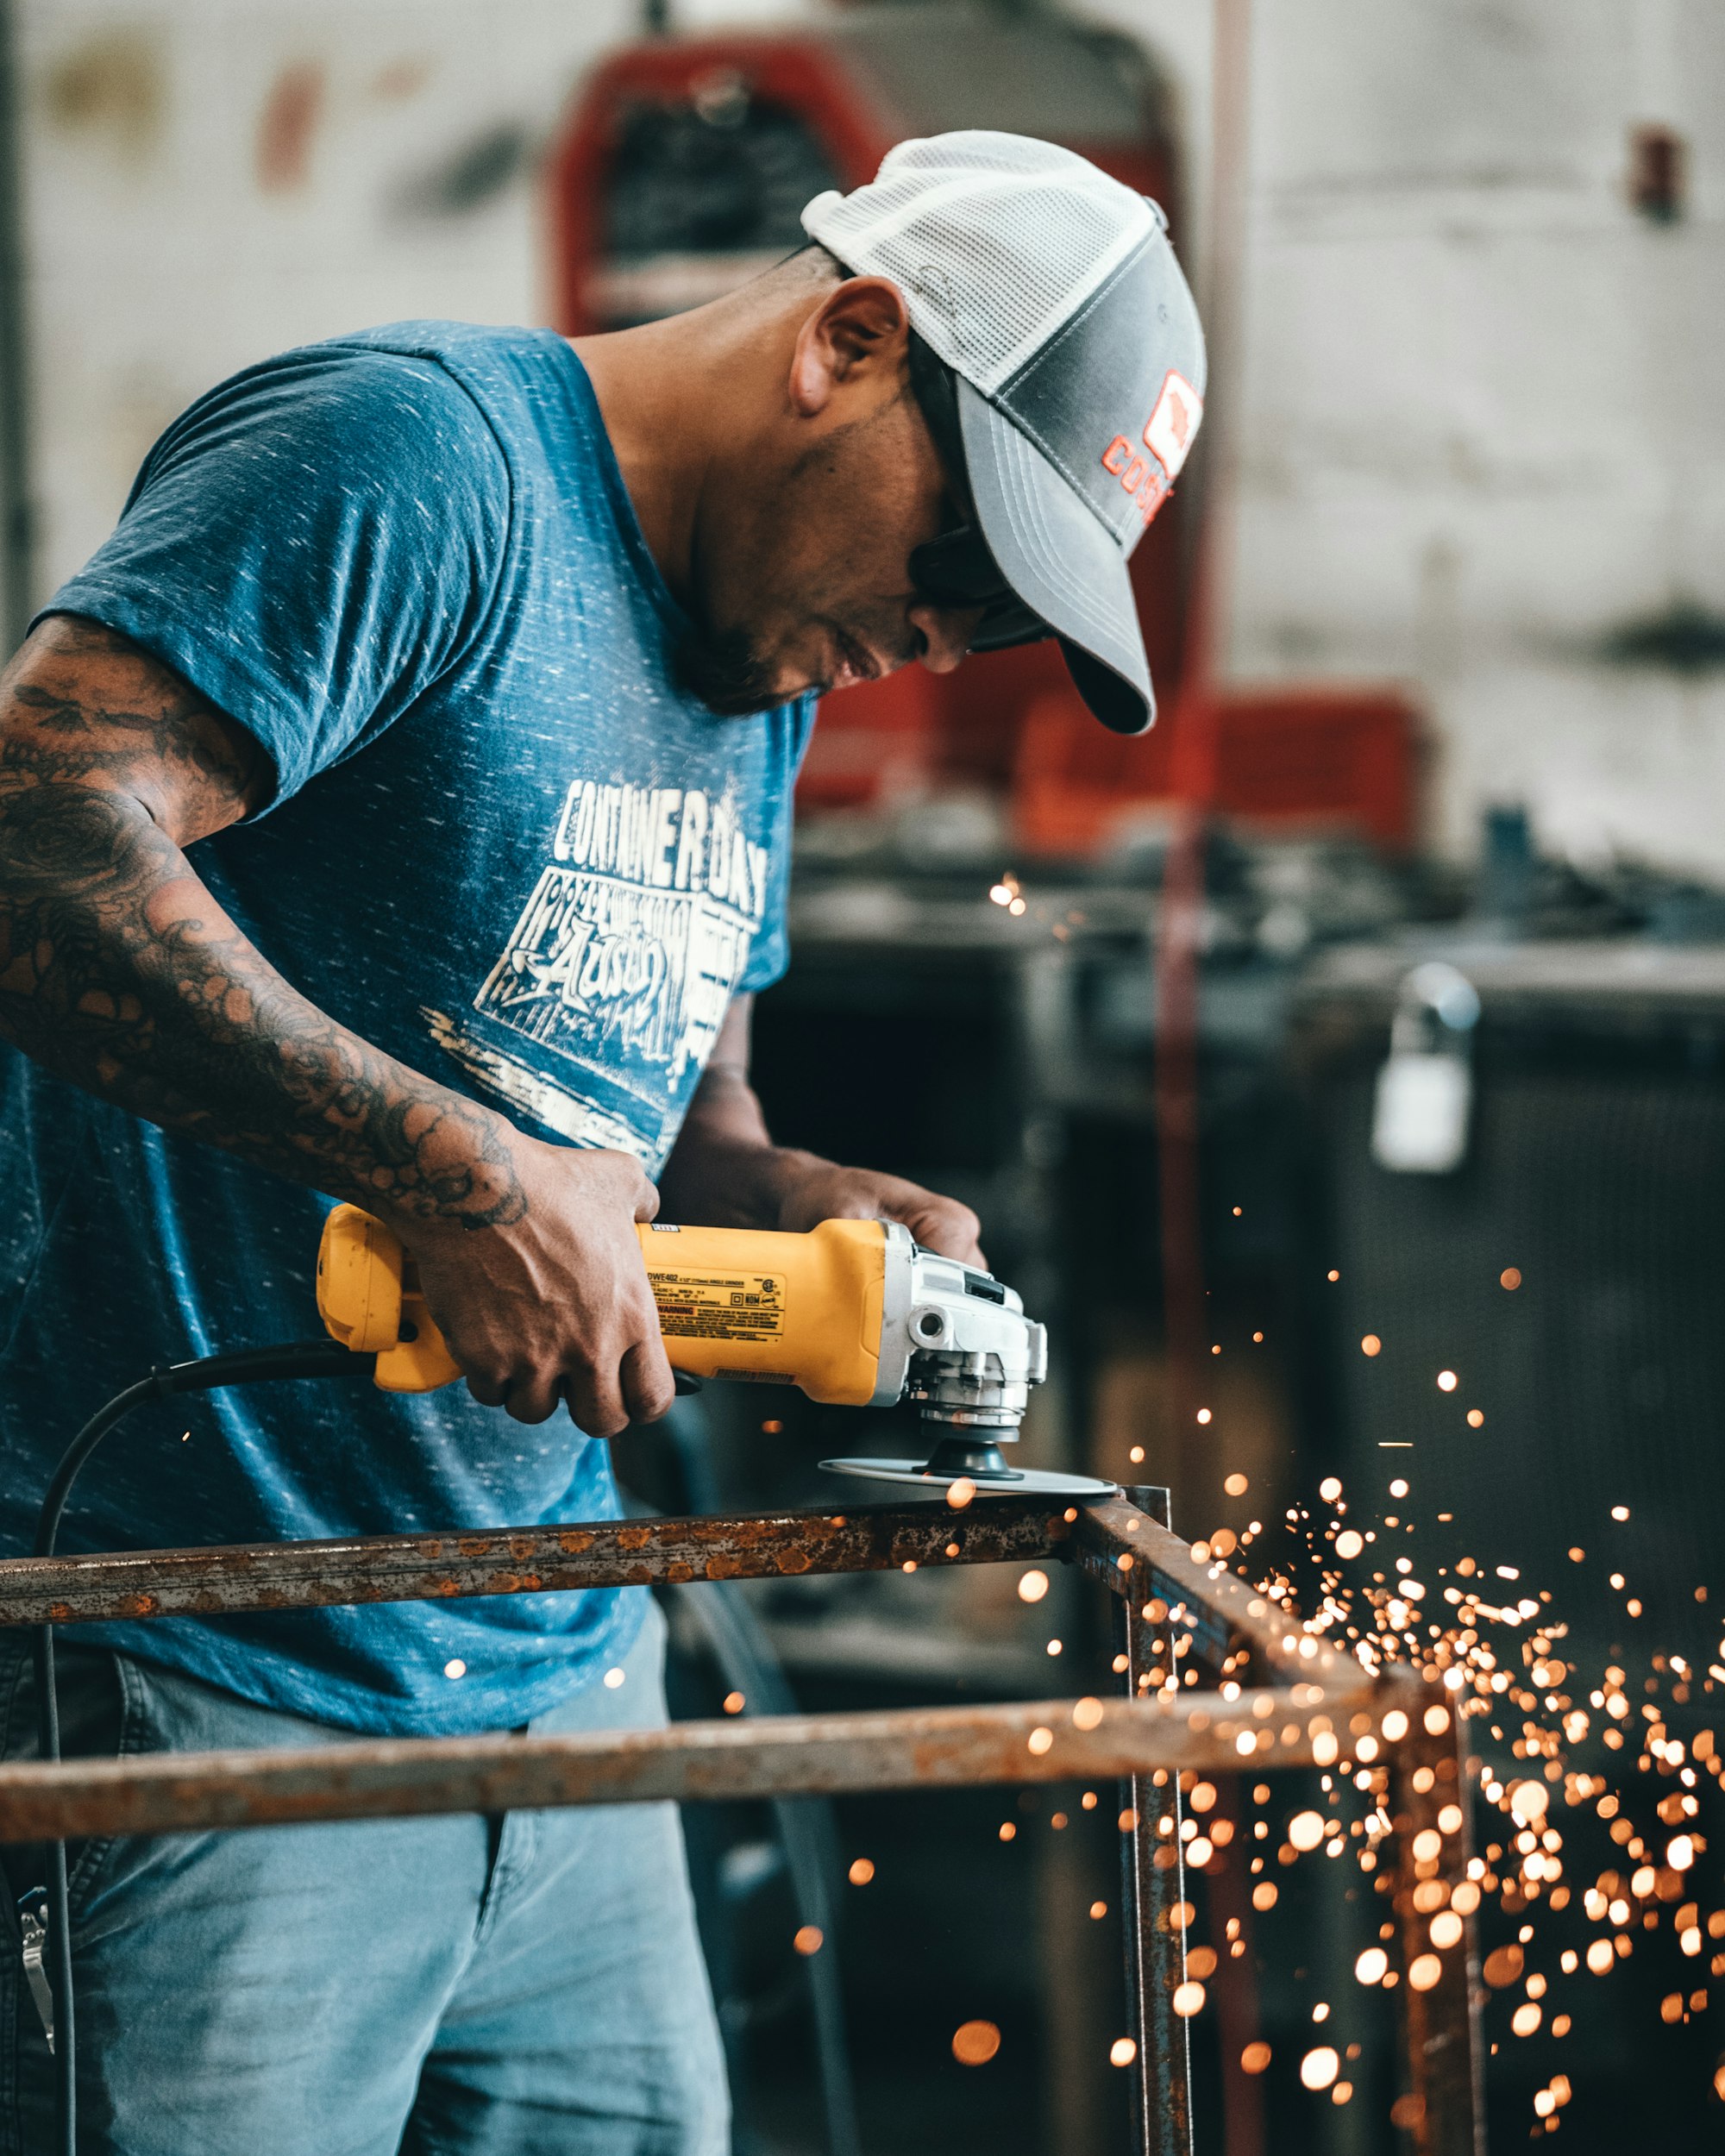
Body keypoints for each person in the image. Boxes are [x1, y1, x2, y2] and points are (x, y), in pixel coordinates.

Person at [0, 132, 1202, 2153]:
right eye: (958, 568)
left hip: (563, 1674)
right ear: (848, 337)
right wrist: (451, 1176)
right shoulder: (416, 460)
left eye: (1003, 622)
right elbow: (36, 839)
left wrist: (789, 1195)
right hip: (209, 1665)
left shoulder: (768, 661)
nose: (943, 640)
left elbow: (670, 1109)